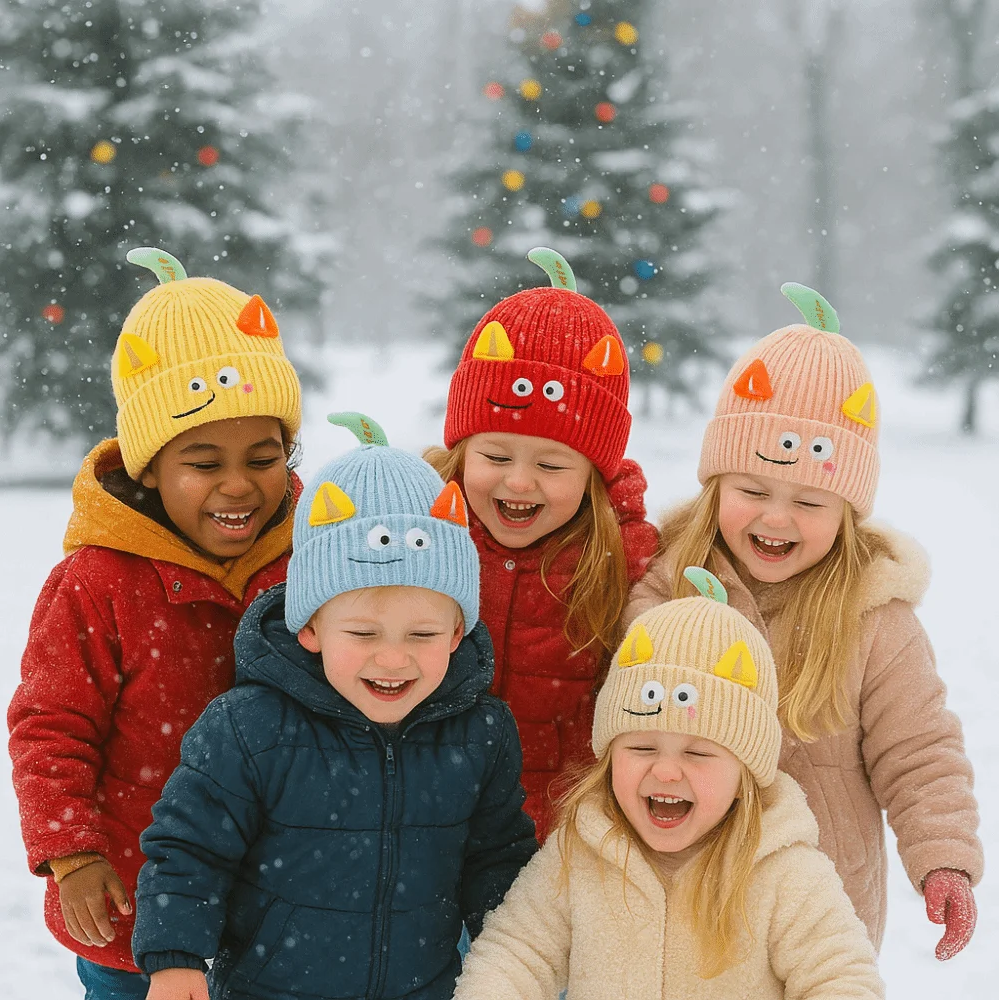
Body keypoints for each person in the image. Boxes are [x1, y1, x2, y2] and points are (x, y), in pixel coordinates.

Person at [627, 283, 982, 956]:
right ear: (716, 488)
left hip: (820, 913)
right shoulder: (664, 591)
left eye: (810, 502)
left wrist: (943, 857)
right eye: (753, 490)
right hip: (681, 899)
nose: (776, 518)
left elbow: (919, 752)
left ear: (848, 513)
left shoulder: (875, 617)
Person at [131, 414, 537, 1000]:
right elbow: (189, 850)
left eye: (422, 635)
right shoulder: (248, 729)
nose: (393, 661)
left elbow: (497, 860)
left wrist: (519, 960)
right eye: (364, 635)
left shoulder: (481, 733)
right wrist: (175, 958)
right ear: (312, 628)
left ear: (457, 633)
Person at [7, 247, 303, 998]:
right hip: (137, 914)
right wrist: (73, 853)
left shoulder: (314, 559)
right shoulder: (97, 583)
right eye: (203, 463)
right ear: (148, 468)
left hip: (286, 911)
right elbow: (50, 726)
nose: (239, 486)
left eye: (263, 457)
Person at [453, 568, 884, 999]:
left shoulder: (785, 871)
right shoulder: (581, 852)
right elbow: (517, 952)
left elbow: (842, 977)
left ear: (743, 778)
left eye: (697, 753)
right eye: (642, 748)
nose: (666, 771)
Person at [426, 247, 659, 838]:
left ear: (594, 476)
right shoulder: (420, 535)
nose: (519, 481)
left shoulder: (626, 564)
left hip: (557, 846)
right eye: (495, 455)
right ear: (460, 452)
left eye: (553, 465)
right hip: (426, 834)